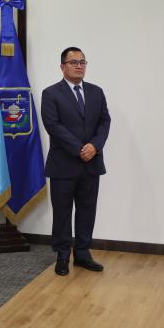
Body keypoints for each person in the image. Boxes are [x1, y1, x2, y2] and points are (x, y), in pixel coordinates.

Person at [41, 47, 111, 276]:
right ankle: (62, 255)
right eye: (73, 62)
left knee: (87, 210)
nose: (79, 66)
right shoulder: (51, 94)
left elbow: (104, 122)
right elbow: (53, 126)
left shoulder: (96, 92)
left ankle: (82, 253)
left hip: (91, 163)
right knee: (62, 212)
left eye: (82, 62)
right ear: (62, 67)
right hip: (63, 164)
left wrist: (95, 146)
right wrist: (79, 148)